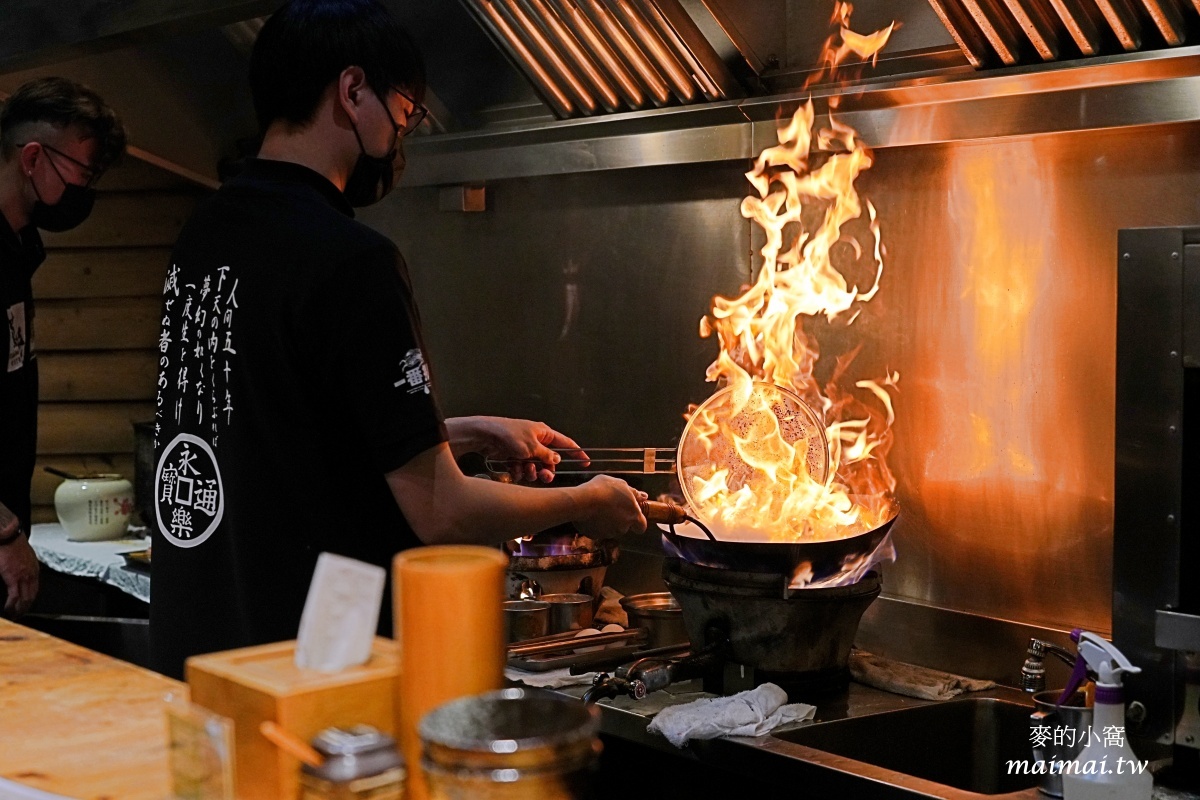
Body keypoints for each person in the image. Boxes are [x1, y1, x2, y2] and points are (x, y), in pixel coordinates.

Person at [148, 0, 646, 678]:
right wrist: (591, 501)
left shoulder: (203, 236)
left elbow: (280, 428)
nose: (403, 138)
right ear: (353, 92)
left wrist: (458, 431)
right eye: (406, 112)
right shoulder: (351, 258)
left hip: (204, 648)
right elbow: (440, 511)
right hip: (313, 668)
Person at [0, 78, 125, 617]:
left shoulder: (21, 247)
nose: (87, 187)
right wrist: (4, 535)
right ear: (32, 157)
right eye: (83, 170)